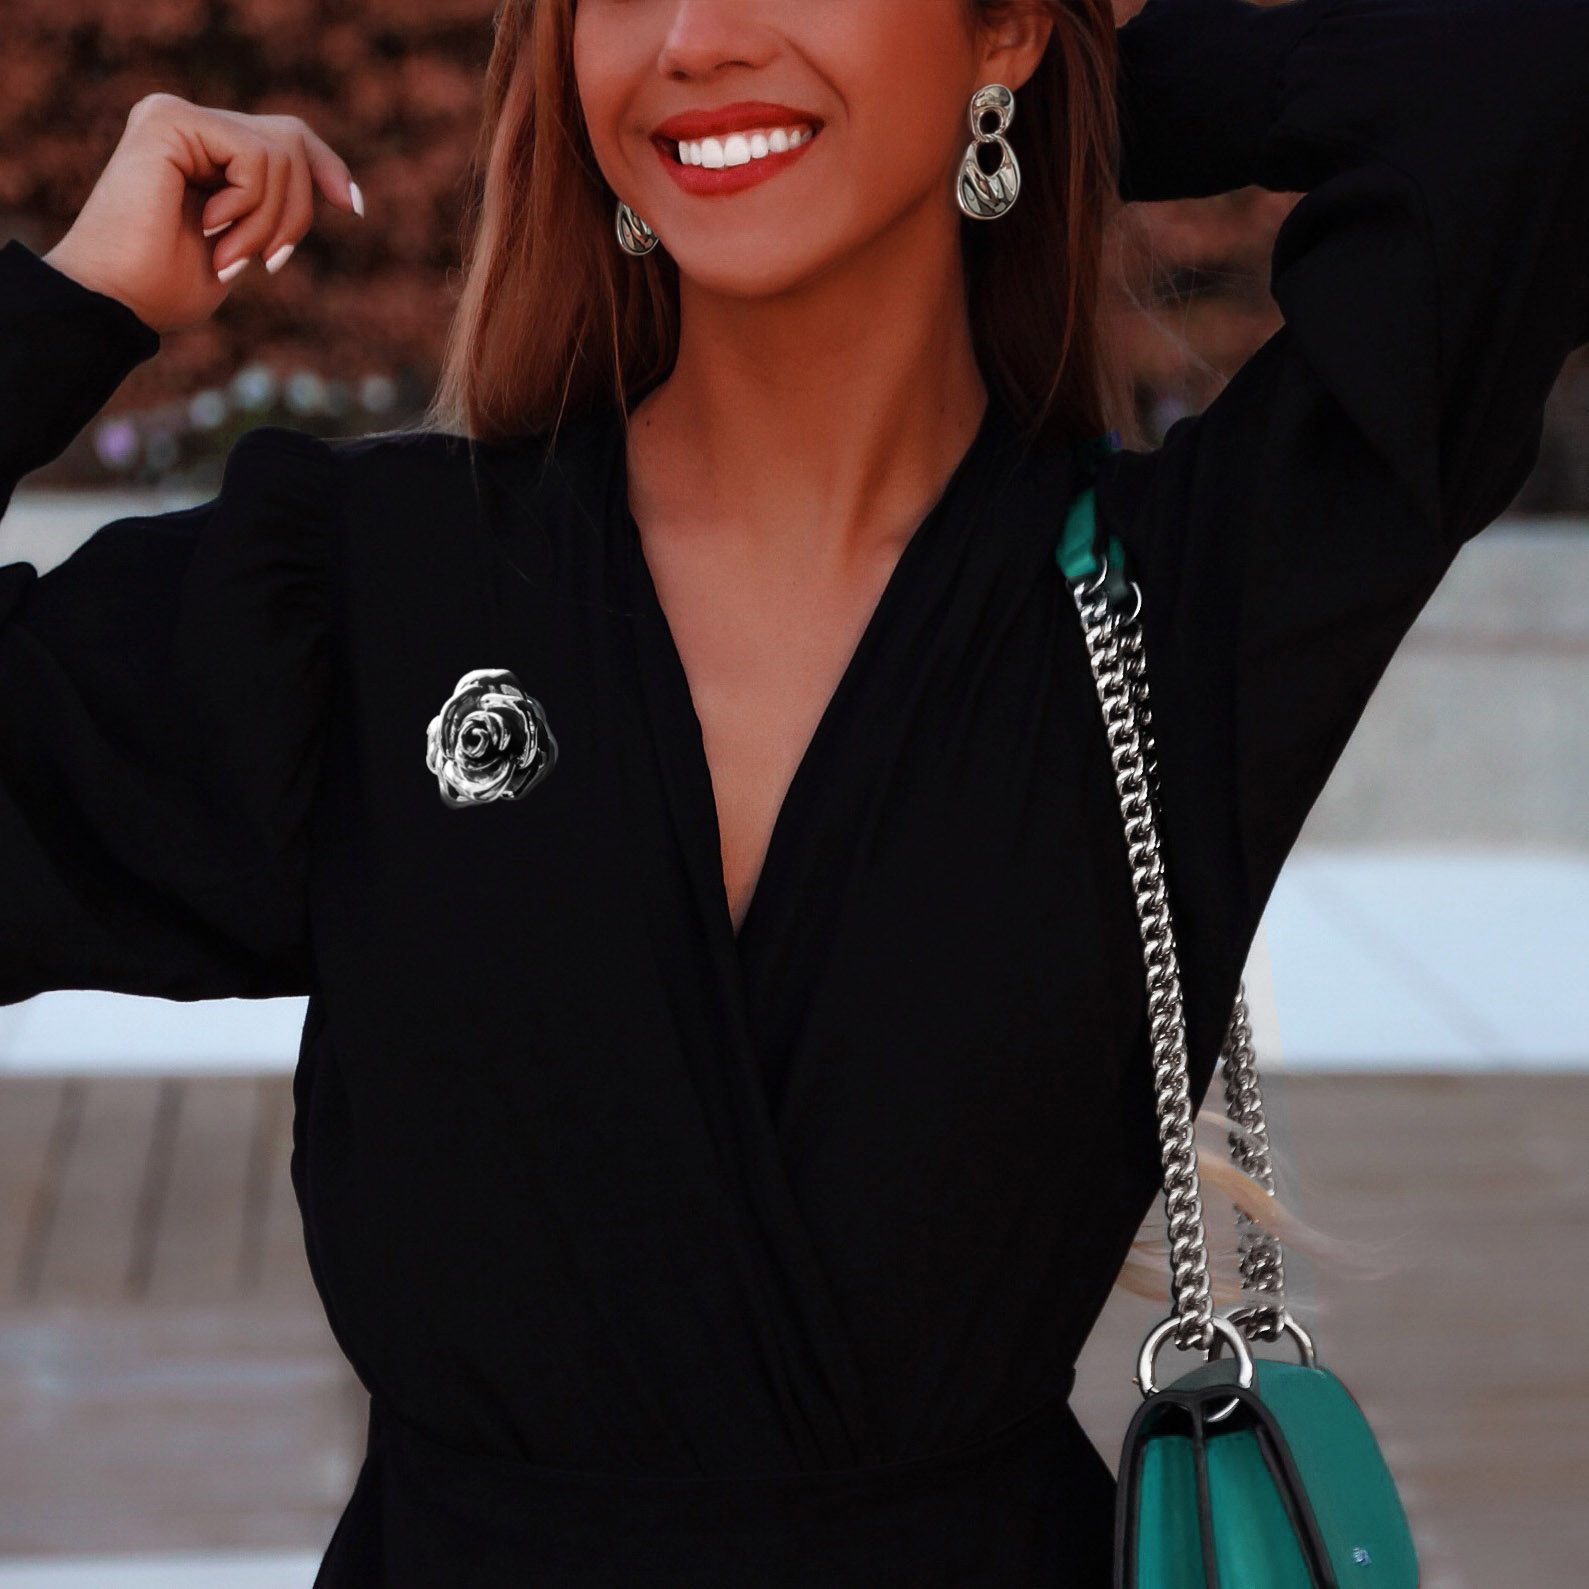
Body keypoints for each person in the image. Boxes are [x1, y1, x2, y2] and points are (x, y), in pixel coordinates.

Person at [2, 0, 1585, 1582]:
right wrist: (65, 313)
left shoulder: (1190, 602)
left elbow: (1537, 90)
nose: (692, 38)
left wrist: (1065, 94)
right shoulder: (364, 596)